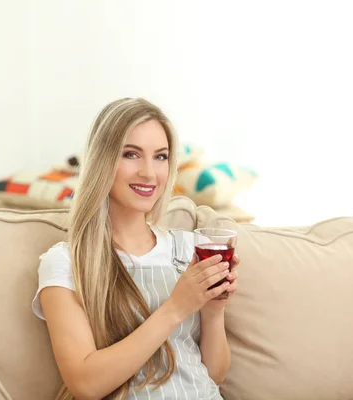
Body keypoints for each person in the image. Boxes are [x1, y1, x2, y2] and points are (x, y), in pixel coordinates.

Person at [32, 98, 240, 400]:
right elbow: (86, 384)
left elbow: (214, 375)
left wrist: (212, 310)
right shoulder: (67, 263)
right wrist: (176, 307)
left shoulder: (187, 249)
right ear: (103, 161)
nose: (149, 172)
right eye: (131, 154)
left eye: (160, 157)